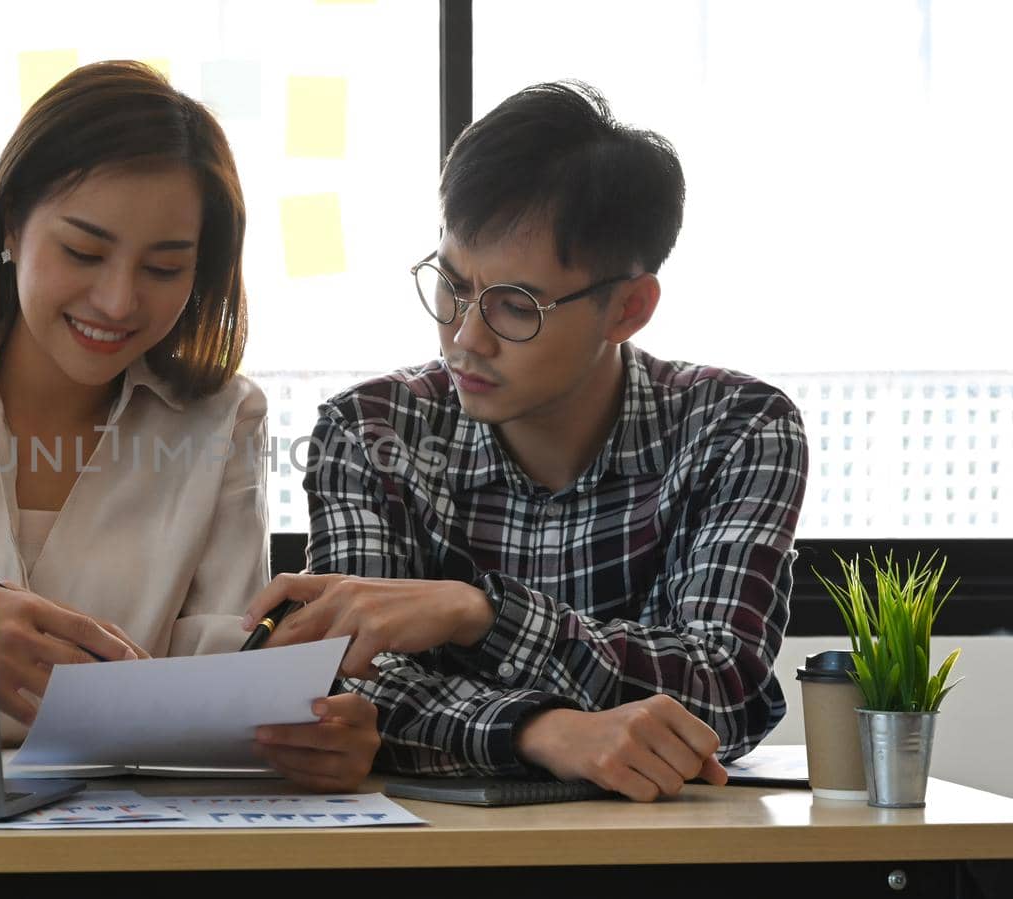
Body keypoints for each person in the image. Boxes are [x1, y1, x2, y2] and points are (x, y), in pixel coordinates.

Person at [0, 61, 379, 792]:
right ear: (12, 224)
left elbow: (228, 682)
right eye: (83, 252)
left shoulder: (222, 419)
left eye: (165, 269)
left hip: (134, 843)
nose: (117, 301)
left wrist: (315, 727)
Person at [243, 81, 809, 801]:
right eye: (450, 285)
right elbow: (358, 693)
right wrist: (544, 731)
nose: (465, 337)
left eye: (515, 307)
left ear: (628, 308)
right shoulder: (370, 429)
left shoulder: (738, 428)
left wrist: (478, 612)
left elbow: (721, 689)